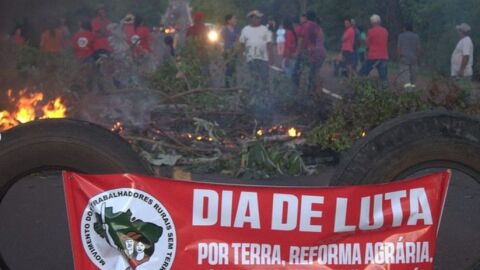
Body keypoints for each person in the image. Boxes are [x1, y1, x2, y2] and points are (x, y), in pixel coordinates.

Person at [239, 9, 273, 93]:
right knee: (254, 77)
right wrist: (242, 56)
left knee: (265, 77)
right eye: (256, 18)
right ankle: (255, 94)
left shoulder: (264, 29)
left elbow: (269, 43)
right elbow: (242, 44)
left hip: (263, 58)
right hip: (251, 58)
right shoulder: (245, 29)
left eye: (259, 18)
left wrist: (271, 56)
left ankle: (265, 94)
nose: (258, 19)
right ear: (251, 19)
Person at [293, 10, 326, 91]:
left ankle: (294, 91)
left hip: (309, 53)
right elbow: (321, 40)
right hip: (320, 54)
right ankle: (313, 93)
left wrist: (297, 52)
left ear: (306, 17)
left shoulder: (305, 25)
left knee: (296, 72)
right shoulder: (318, 27)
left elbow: (301, 40)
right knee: (313, 75)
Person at [360, 14, 389, 85]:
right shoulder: (385, 31)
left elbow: (367, 44)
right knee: (383, 77)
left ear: (372, 22)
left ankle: (360, 85)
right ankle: (385, 90)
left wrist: (364, 41)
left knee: (362, 73)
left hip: (373, 56)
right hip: (383, 56)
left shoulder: (371, 31)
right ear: (379, 22)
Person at [397, 22, 421, 89]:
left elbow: (399, 48)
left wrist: (399, 57)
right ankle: (412, 89)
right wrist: (417, 58)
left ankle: (408, 90)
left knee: (405, 76)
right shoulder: (416, 36)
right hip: (413, 59)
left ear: (404, 28)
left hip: (404, 59)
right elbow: (418, 49)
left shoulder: (401, 36)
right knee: (413, 76)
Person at [221, 14, 240, 87]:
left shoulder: (236, 29)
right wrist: (223, 50)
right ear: (228, 21)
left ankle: (234, 85)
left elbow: (238, 39)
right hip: (227, 51)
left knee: (234, 68)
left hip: (234, 51)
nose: (235, 20)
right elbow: (221, 40)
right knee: (229, 68)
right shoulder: (224, 29)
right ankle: (228, 85)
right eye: (234, 18)